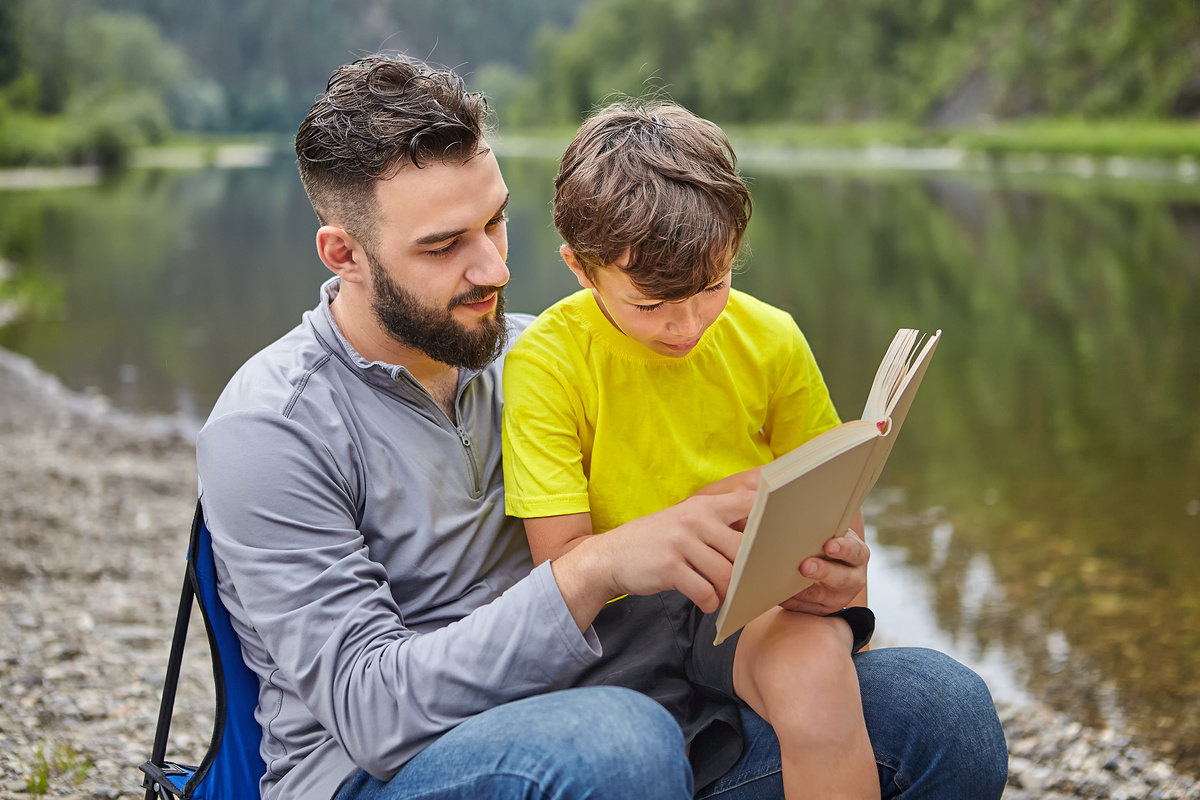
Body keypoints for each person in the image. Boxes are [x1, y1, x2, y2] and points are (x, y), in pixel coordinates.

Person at [195, 52, 1009, 800]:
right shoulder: (272, 430)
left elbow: (685, 573)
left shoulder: (549, 354)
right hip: (397, 772)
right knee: (618, 747)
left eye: (495, 223)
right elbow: (371, 715)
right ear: (343, 254)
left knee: (944, 712)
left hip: (639, 719)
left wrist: (805, 570)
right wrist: (594, 570)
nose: (495, 269)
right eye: (444, 246)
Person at [501, 100, 878, 798]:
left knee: (819, 679)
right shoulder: (547, 363)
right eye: (650, 304)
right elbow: (561, 573)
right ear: (581, 269)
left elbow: (840, 525)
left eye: (714, 286)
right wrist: (688, 516)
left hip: (745, 600)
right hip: (620, 628)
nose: (687, 324)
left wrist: (838, 572)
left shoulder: (772, 340)